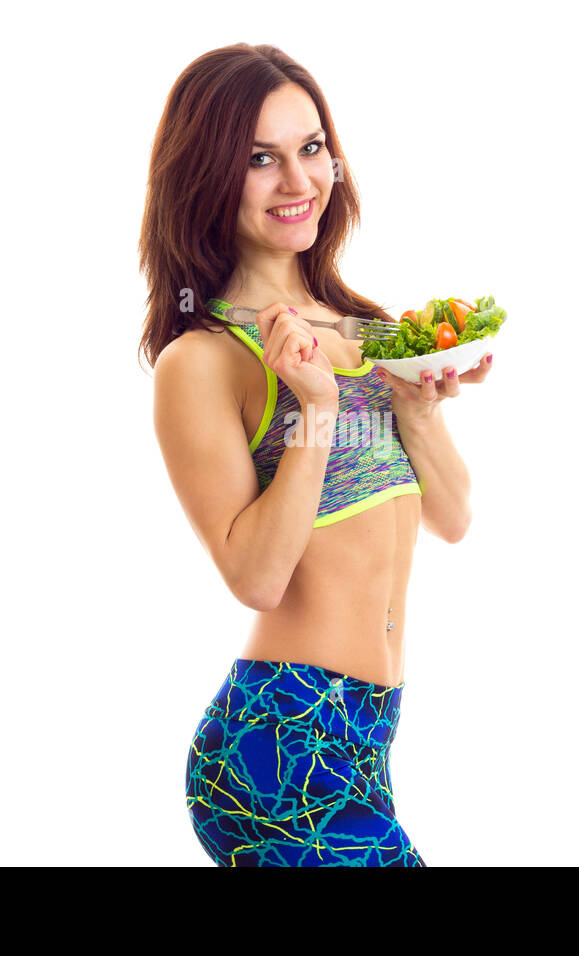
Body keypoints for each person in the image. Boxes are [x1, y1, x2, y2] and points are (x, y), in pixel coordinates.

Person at [139, 44, 494, 867]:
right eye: (259, 159)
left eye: (310, 149)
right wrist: (318, 411)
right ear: (206, 173)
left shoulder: (367, 330)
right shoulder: (204, 359)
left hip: (367, 734)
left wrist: (417, 405)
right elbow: (256, 577)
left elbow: (454, 519)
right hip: (280, 736)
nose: (297, 182)